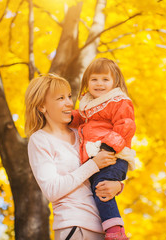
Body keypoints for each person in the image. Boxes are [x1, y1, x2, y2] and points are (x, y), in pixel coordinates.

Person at [25, 74, 124, 240]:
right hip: (75, 227)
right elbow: (52, 190)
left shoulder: (82, 133)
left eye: (69, 96)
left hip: (105, 227)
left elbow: (104, 170)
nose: (70, 103)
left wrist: (118, 186)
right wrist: (93, 164)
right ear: (42, 106)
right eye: (60, 98)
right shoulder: (40, 140)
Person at [70, 58, 136, 240]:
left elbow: (126, 125)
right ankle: (110, 228)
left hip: (113, 155)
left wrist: (108, 147)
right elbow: (82, 119)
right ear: (87, 82)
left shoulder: (118, 102)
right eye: (94, 79)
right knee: (99, 189)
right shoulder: (90, 104)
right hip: (99, 156)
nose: (99, 84)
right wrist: (68, 118)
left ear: (115, 82)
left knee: (102, 188)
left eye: (105, 79)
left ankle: (116, 232)